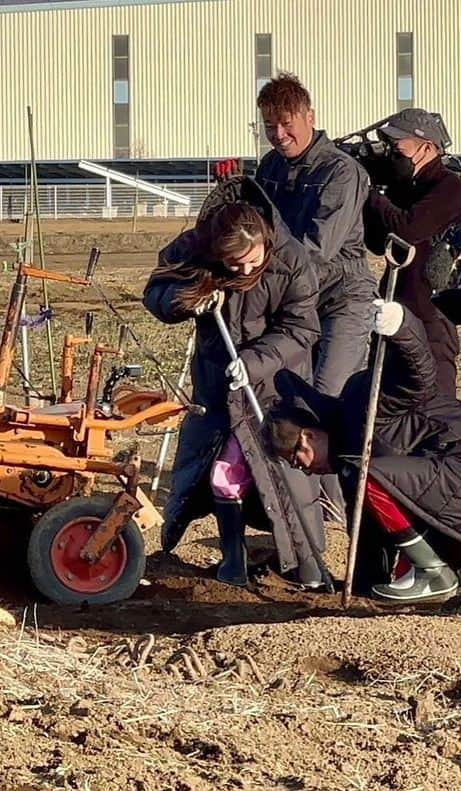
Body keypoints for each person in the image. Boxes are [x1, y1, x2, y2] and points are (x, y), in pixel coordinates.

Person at [265, 300, 461, 604]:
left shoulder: (365, 404)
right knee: (379, 484)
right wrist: (365, 589)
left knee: (372, 477)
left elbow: (418, 374)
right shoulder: (348, 454)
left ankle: (432, 574)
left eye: (296, 460)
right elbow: (370, 532)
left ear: (309, 435)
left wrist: (402, 325)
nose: (303, 470)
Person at [143, 176, 329, 589]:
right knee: (221, 472)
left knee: (287, 478)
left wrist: (254, 362)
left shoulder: (292, 258)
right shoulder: (194, 246)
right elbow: (156, 291)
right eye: (234, 264)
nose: (246, 269)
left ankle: (308, 566)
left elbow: (302, 330)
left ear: (265, 238)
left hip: (276, 386)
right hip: (215, 386)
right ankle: (233, 557)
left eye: (253, 259)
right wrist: (189, 297)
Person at [255, 73, 376, 518]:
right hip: (293, 299)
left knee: (331, 395)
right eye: (270, 127)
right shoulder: (269, 168)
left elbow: (317, 249)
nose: (279, 135)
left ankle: (347, 503)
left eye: (287, 124)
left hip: (342, 296)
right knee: (291, 396)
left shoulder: (342, 172)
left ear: (310, 117)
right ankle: (309, 499)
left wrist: (261, 271)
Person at [362, 108, 461, 395]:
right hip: (394, 307)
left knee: (437, 405)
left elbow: (407, 228)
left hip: (431, 316)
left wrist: (370, 193)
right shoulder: (402, 187)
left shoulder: (451, 188)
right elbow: (376, 241)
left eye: (398, 149)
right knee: (385, 397)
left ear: (427, 148)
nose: (393, 156)